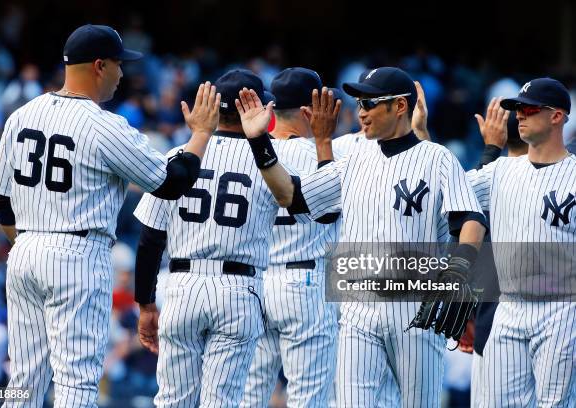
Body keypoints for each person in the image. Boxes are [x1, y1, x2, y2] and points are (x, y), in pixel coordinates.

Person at [0, 24, 219, 407]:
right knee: (76, 384)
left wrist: (28, 244)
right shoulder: (104, 126)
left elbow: (1, 201)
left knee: (25, 380)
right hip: (76, 256)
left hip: (25, 250)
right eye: (117, 64)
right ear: (98, 66)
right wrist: (200, 135)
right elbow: (170, 182)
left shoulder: (21, 115)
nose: (122, 73)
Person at [235, 66, 487, 407]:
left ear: (399, 106)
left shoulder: (437, 158)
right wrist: (259, 143)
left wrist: (460, 271)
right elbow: (290, 195)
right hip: (358, 307)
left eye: (369, 103)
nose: (360, 112)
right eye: (359, 103)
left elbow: (470, 219)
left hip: (415, 303)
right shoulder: (354, 158)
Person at [132, 68, 334, 407]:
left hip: (182, 286)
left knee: (171, 400)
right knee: (223, 401)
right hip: (239, 289)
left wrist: (146, 303)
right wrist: (324, 142)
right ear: (256, 108)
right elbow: (309, 202)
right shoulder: (272, 159)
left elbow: (150, 239)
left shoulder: (179, 156)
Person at [467, 77, 576, 407]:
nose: (520, 116)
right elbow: (445, 194)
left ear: (557, 116)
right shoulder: (500, 170)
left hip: (561, 308)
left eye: (528, 108)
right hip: (509, 307)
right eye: (517, 109)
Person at [241, 67, 341, 407]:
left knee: (248, 395)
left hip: (254, 282)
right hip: (304, 282)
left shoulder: (248, 155)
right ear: (310, 111)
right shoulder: (326, 156)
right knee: (309, 398)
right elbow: (328, 211)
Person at [457, 100, 527, 407]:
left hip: (491, 321)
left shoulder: (485, 182)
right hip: (551, 321)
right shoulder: (564, 175)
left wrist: (490, 149)